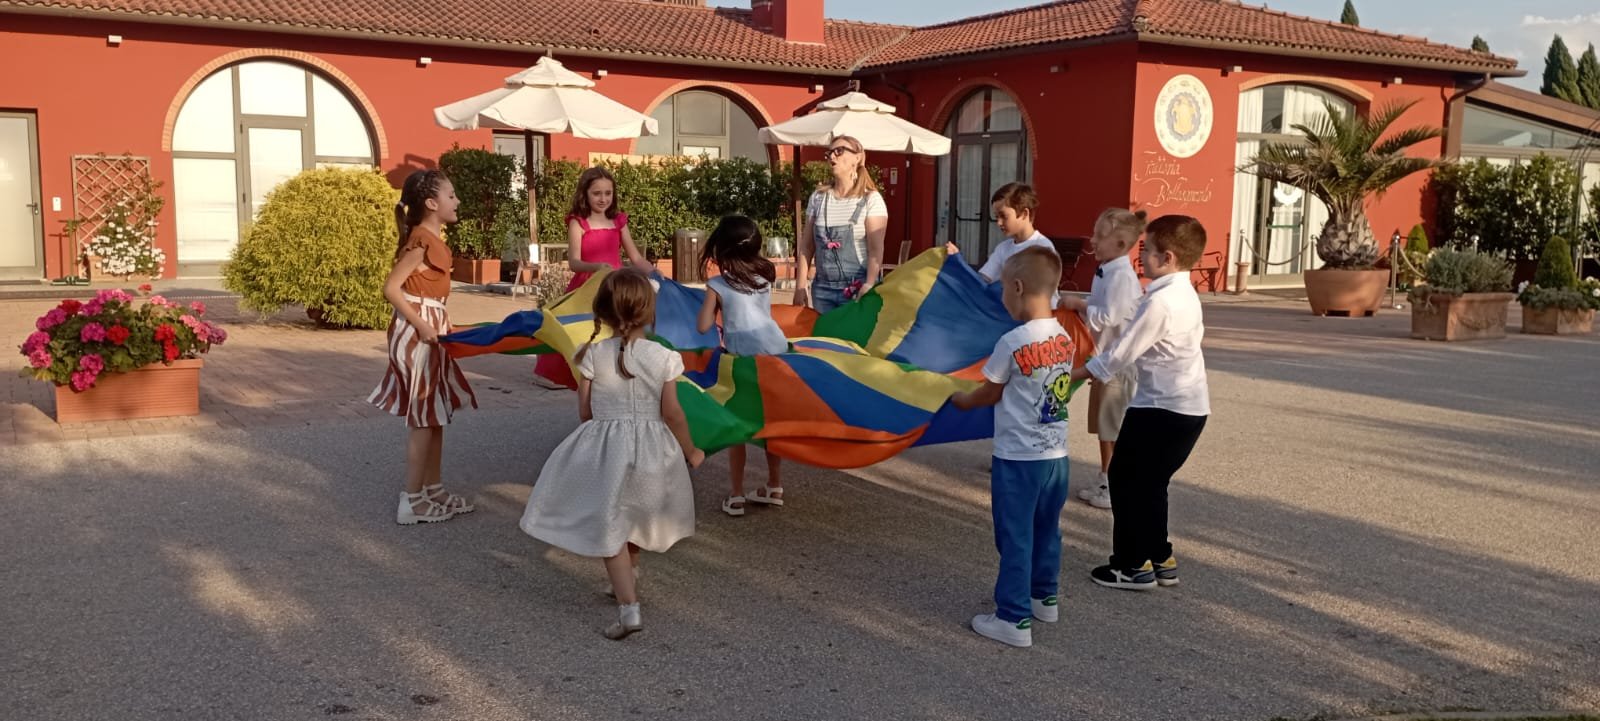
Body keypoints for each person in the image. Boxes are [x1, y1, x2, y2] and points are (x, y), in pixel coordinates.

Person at [519, 268, 705, 639]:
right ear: (649, 312)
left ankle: (628, 608)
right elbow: (672, 413)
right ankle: (627, 578)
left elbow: (584, 412)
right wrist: (691, 449)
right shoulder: (664, 357)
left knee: (610, 528)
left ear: (602, 312)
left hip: (607, 453)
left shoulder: (591, 354)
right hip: (652, 451)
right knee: (632, 516)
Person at [1069, 215, 1210, 591]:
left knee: (1126, 480)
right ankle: (1160, 557)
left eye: (1147, 250)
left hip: (1161, 408)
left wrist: (1072, 374)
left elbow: (1120, 353)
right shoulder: (1184, 293)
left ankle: (1131, 566)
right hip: (1188, 408)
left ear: (1168, 258)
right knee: (1151, 484)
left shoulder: (1160, 302)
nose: (1140, 256)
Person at [949, 246, 1075, 648]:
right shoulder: (1064, 338)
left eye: (1003, 288)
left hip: (1018, 459)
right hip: (1056, 456)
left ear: (1018, 287)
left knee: (1015, 534)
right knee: (1047, 529)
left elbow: (990, 393)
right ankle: (1044, 597)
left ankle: (1013, 618)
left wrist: (961, 400)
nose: (1002, 297)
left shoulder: (1013, 341)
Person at [370, 169, 479, 525]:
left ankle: (432, 489)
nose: (457, 201)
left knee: (435, 415)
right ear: (432, 203)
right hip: (418, 334)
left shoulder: (430, 240)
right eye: (451, 195)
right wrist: (422, 325)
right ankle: (412, 500)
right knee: (424, 417)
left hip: (430, 328)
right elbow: (391, 288)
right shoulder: (420, 242)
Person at [696, 215, 789, 516]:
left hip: (743, 360)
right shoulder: (764, 277)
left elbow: (703, 326)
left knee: (737, 427)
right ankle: (774, 485)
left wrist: (713, 306)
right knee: (770, 421)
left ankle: (736, 494)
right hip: (776, 351)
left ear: (722, 249)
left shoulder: (717, 284)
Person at [532, 166, 652, 390]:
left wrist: (653, 272)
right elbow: (574, 262)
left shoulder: (618, 221)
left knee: (618, 329)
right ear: (585, 194)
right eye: (597, 193)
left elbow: (635, 257)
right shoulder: (578, 222)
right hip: (587, 287)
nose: (603, 198)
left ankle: (619, 372)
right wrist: (597, 267)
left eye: (608, 193)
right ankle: (580, 376)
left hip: (615, 287)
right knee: (583, 332)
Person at [1057, 208, 1146, 510]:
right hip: (1104, 361)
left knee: (1113, 428)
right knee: (1103, 427)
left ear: (1120, 244)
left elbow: (1109, 316)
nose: (1092, 240)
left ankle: (1116, 484)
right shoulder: (1108, 271)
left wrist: (1078, 304)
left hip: (1117, 364)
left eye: (1099, 236)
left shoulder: (1121, 276)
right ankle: (1106, 476)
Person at [794, 135, 888, 313]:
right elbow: (807, 246)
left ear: (857, 158)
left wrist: (869, 284)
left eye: (839, 151)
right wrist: (800, 286)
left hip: (858, 290)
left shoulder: (870, 199)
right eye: (829, 153)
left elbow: (876, 249)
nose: (832, 156)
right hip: (822, 290)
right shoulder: (818, 198)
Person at [945, 182, 1057, 289]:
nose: (999, 222)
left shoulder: (1042, 248)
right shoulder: (1003, 249)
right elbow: (981, 281)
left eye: (1004, 216)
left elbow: (1037, 292)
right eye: (996, 217)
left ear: (1024, 214)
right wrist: (958, 262)